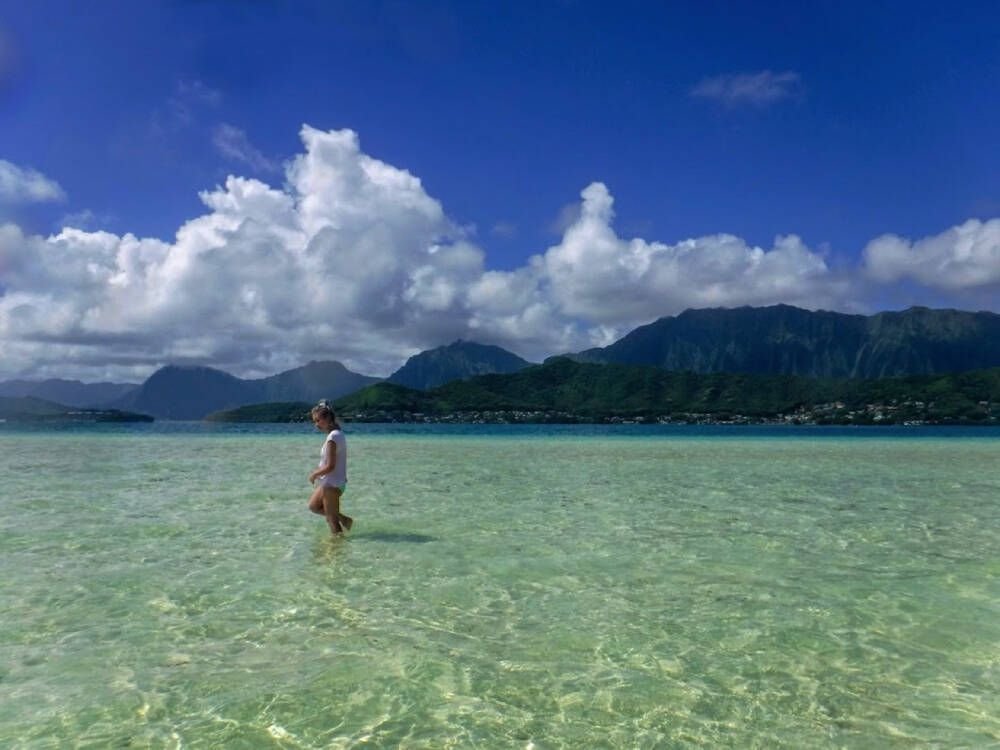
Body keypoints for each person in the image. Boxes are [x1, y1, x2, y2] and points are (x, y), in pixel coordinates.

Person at [308, 400, 353, 535]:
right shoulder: (337, 434)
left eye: (318, 420)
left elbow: (331, 466)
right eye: (314, 421)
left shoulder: (333, 437)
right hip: (331, 482)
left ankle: (336, 546)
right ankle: (344, 519)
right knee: (313, 506)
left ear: (328, 418)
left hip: (332, 484)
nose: (316, 424)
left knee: (332, 521)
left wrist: (315, 474)